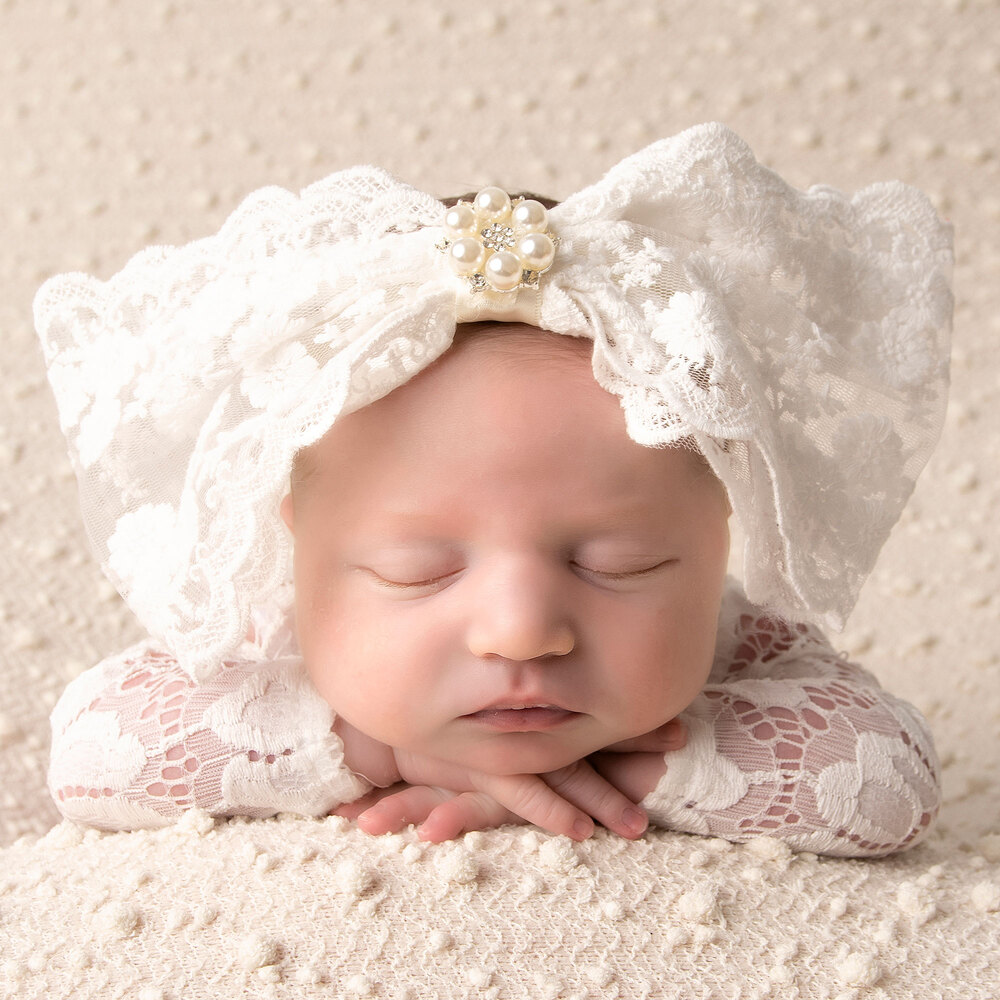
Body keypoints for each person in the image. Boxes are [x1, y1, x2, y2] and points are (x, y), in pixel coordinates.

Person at [37, 123, 953, 856]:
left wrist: (650, 766)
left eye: (619, 562)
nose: (521, 630)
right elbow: (91, 751)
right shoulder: (277, 633)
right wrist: (381, 747)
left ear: (720, 522)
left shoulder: (729, 639)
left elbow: (885, 780)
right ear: (298, 540)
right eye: (416, 569)